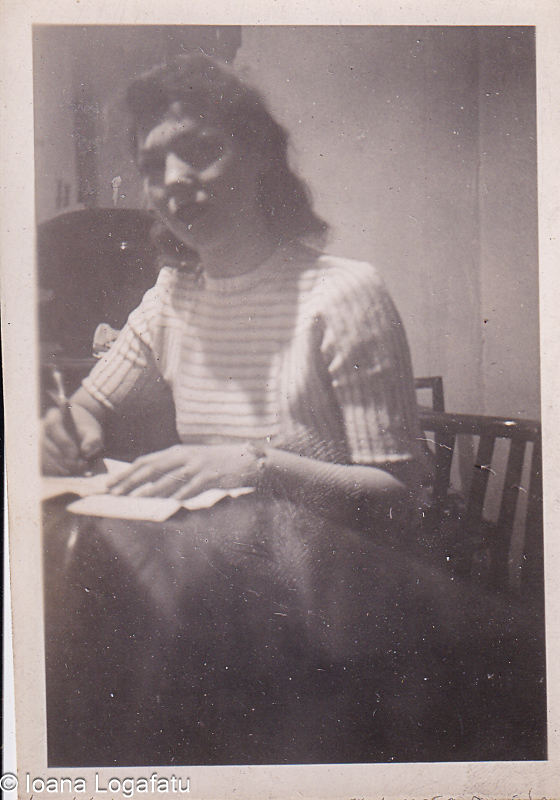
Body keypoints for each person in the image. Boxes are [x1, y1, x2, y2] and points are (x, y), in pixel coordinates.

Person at [41, 54, 545, 766]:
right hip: (229, 600)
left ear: (260, 159)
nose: (174, 180)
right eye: (153, 165)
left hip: (349, 620)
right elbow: (88, 407)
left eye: (203, 149)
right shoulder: (172, 294)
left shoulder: (342, 292)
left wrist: (254, 463)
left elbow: (402, 498)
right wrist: (69, 427)